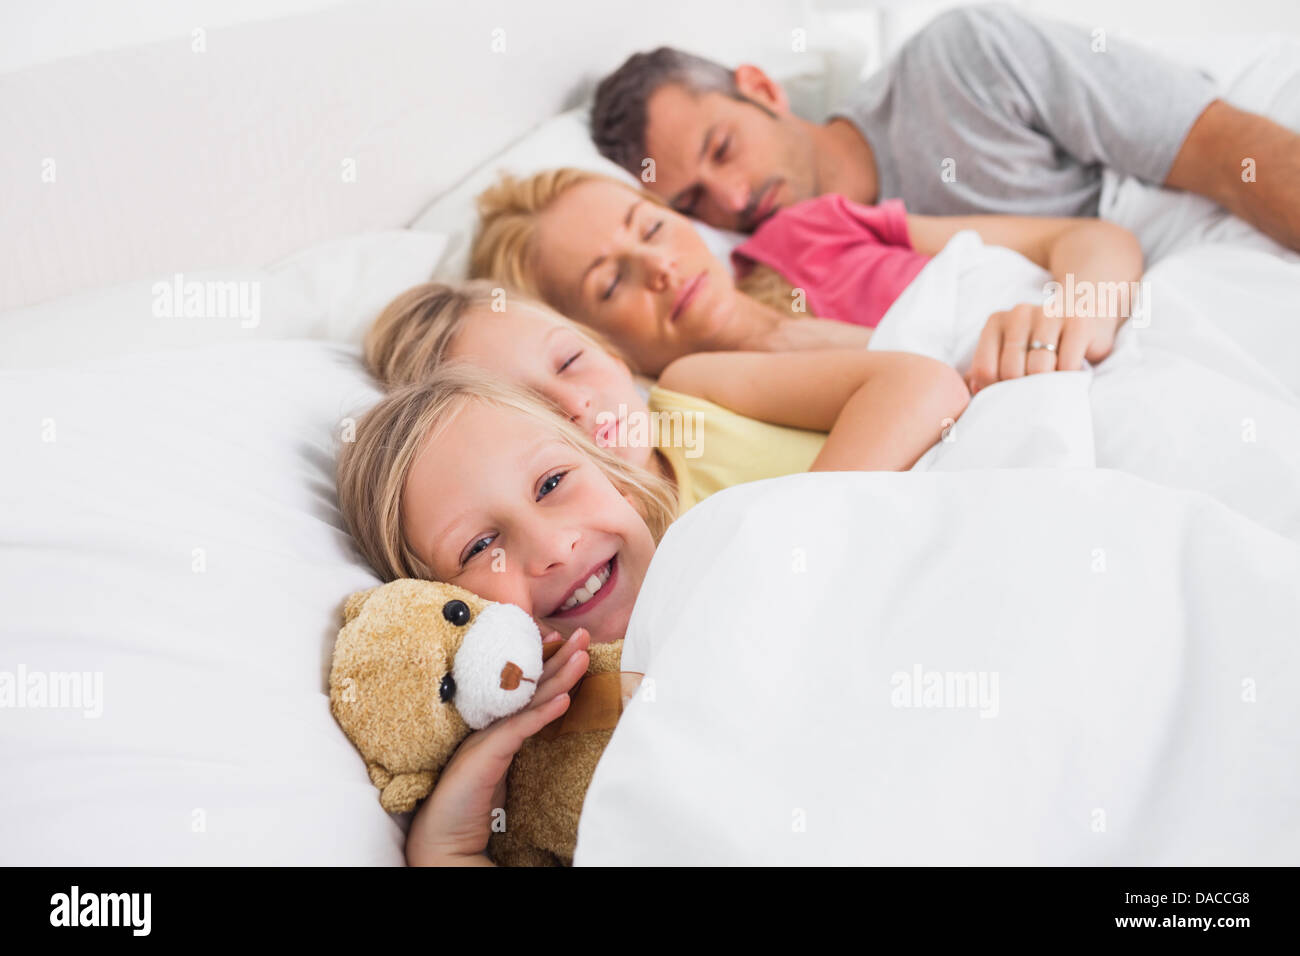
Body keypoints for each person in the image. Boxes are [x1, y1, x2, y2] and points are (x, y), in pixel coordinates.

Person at [589, 4, 1300, 252]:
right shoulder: (791, 272)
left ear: (763, 89)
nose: (735, 199)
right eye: (693, 203)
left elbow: (1212, 144)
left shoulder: (960, 59)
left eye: (722, 149)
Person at [470, 167, 1142, 392]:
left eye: (649, 229)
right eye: (610, 284)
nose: (663, 268)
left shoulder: (809, 231)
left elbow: (1088, 237)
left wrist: (1082, 313)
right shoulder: (702, 409)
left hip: (1117, 347)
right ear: (585, 338)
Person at [362, 281, 969, 516]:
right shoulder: (600, 565)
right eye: (530, 408)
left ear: (615, 357)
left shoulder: (693, 392)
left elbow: (924, 385)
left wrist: (802, 527)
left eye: (572, 360)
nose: (574, 404)